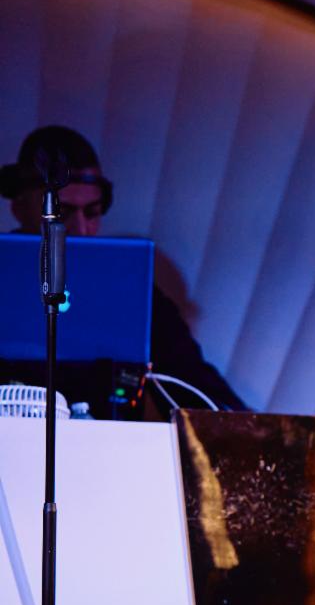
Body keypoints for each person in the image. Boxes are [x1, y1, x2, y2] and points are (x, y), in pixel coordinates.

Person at [0, 125, 247, 413]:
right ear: (20, 209)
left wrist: (251, 427)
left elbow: (193, 384)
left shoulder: (128, 291)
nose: (80, 229)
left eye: (92, 212)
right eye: (62, 213)